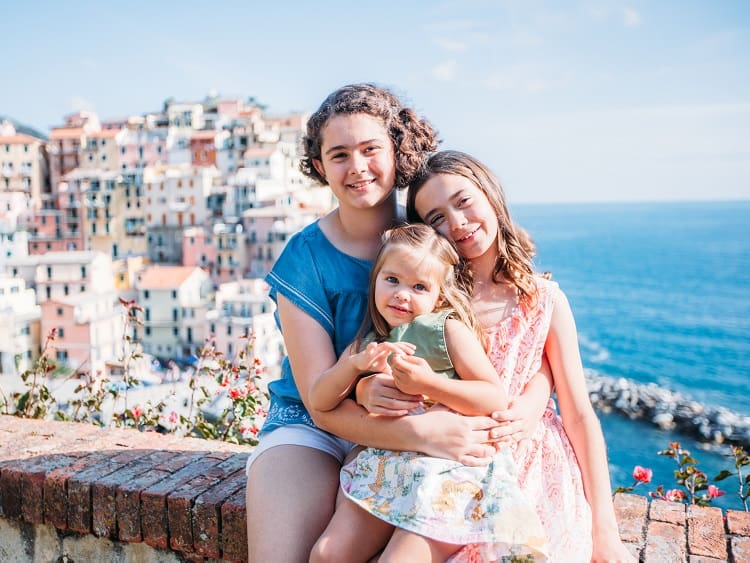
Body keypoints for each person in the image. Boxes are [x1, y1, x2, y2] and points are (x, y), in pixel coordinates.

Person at [245, 85, 518, 563]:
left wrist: (529, 405)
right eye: (339, 154)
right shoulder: (304, 258)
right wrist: (423, 433)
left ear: (398, 150)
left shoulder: (432, 241)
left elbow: (515, 320)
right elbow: (320, 400)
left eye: (371, 149)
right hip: (316, 423)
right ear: (318, 167)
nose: (357, 167)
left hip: (410, 417)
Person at [357, 149, 629, 561]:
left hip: (526, 467)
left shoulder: (543, 300)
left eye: (463, 202)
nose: (458, 223)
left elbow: (578, 414)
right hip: (446, 463)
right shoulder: (429, 296)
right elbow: (388, 359)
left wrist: (605, 534)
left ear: (490, 194)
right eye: (436, 219)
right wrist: (366, 389)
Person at [308, 224, 547, 562]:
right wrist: (353, 370)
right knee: (326, 555)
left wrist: (429, 384)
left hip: (445, 471)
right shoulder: (371, 341)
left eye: (419, 286)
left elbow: (493, 397)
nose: (402, 294)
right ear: (375, 280)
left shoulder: (445, 329)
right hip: (387, 469)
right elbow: (319, 400)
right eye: (392, 280)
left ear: (439, 295)